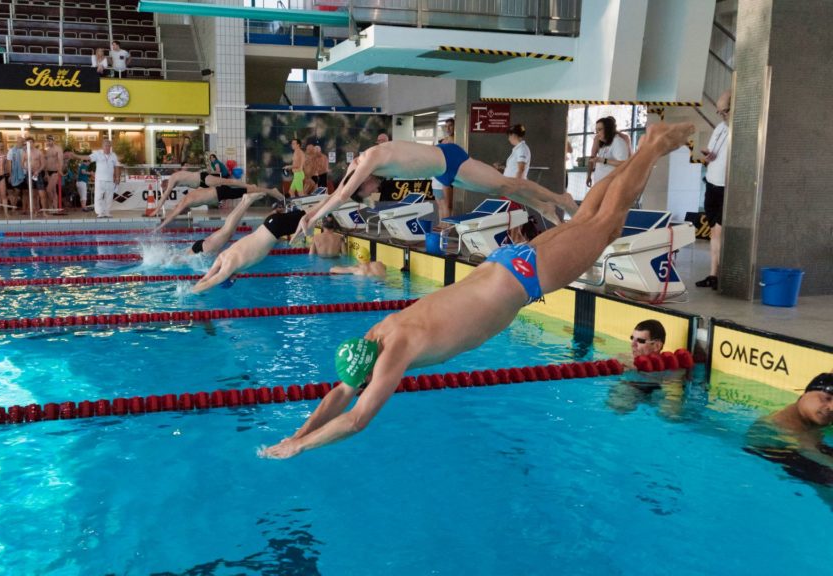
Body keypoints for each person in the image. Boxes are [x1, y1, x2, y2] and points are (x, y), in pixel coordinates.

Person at [259, 121, 695, 458]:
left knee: (606, 226)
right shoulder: (380, 332)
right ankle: (645, 149)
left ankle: (652, 146)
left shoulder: (394, 352)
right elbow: (341, 392)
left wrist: (302, 447)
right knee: (589, 222)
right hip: (504, 264)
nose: (359, 387)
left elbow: (356, 419)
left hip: (523, 278)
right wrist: (296, 433)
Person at [293, 139, 579, 241]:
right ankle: (542, 206)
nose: (374, 189)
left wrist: (315, 219)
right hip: (443, 171)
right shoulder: (358, 166)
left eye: (367, 190)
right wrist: (307, 216)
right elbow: (337, 194)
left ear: (363, 180)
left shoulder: (371, 159)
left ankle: (559, 198)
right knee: (499, 189)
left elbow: (343, 195)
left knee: (507, 183)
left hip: (450, 159)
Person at [191, 204, 312, 294]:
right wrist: (195, 287)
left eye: (233, 280)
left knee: (311, 215)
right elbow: (206, 278)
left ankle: (325, 201)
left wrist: (191, 292)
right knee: (309, 211)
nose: (235, 278)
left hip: (276, 228)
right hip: (269, 222)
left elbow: (209, 282)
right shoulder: (221, 257)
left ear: (228, 278)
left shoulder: (228, 268)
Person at [745, 373, 833, 489]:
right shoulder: (789, 423)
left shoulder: (810, 415)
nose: (831, 408)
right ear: (806, 393)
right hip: (771, 451)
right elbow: (808, 449)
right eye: (827, 398)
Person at [696, 90, 731, 290]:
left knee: (718, 232)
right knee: (713, 232)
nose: (722, 115)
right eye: (719, 112)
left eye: (725, 111)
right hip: (712, 184)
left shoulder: (742, 130)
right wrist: (708, 156)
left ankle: (716, 275)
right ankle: (713, 274)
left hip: (727, 188)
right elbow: (713, 154)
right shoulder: (719, 128)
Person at [155, 183, 285, 231]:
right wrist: (217, 203)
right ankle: (266, 190)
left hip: (220, 192)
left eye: (182, 212)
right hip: (219, 193)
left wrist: (160, 227)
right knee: (247, 190)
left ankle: (271, 191)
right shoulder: (188, 199)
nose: (185, 212)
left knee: (249, 190)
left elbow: (172, 215)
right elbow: (205, 196)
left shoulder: (184, 202)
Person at [189, 192, 265, 256]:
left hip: (204, 250)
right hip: (201, 248)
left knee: (227, 229)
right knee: (230, 231)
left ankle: (247, 200)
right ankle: (244, 200)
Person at [69, 139, 121, 218]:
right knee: (98, 197)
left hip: (110, 180)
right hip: (99, 180)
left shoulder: (113, 155)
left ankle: (107, 212)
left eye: (109, 146)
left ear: (110, 146)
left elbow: (116, 166)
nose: (107, 147)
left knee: (109, 197)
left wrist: (117, 177)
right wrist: (75, 156)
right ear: (102, 146)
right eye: (106, 146)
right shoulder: (97, 153)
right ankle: (100, 212)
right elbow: (87, 157)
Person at [158, 167, 249, 205]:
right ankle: (247, 189)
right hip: (202, 183)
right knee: (227, 190)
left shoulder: (173, 179)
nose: (169, 190)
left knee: (228, 182)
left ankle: (248, 186)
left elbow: (165, 195)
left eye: (166, 188)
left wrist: (157, 208)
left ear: (167, 184)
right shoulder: (175, 181)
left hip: (203, 179)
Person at [586, 116, 632, 189]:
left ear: (609, 129)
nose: (597, 133)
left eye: (599, 130)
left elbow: (624, 163)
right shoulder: (604, 143)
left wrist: (602, 160)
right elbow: (592, 157)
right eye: (596, 130)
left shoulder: (618, 141)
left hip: (612, 186)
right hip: (600, 185)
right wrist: (589, 175)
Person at [44, 135, 65, 212]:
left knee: (48, 190)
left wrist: (60, 170)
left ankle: (53, 204)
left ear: (53, 141)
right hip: (48, 172)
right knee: (53, 191)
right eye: (47, 141)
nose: (49, 142)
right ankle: (55, 207)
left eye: (50, 141)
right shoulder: (47, 150)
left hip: (55, 172)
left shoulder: (58, 149)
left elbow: (60, 160)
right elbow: (46, 162)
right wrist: (46, 173)